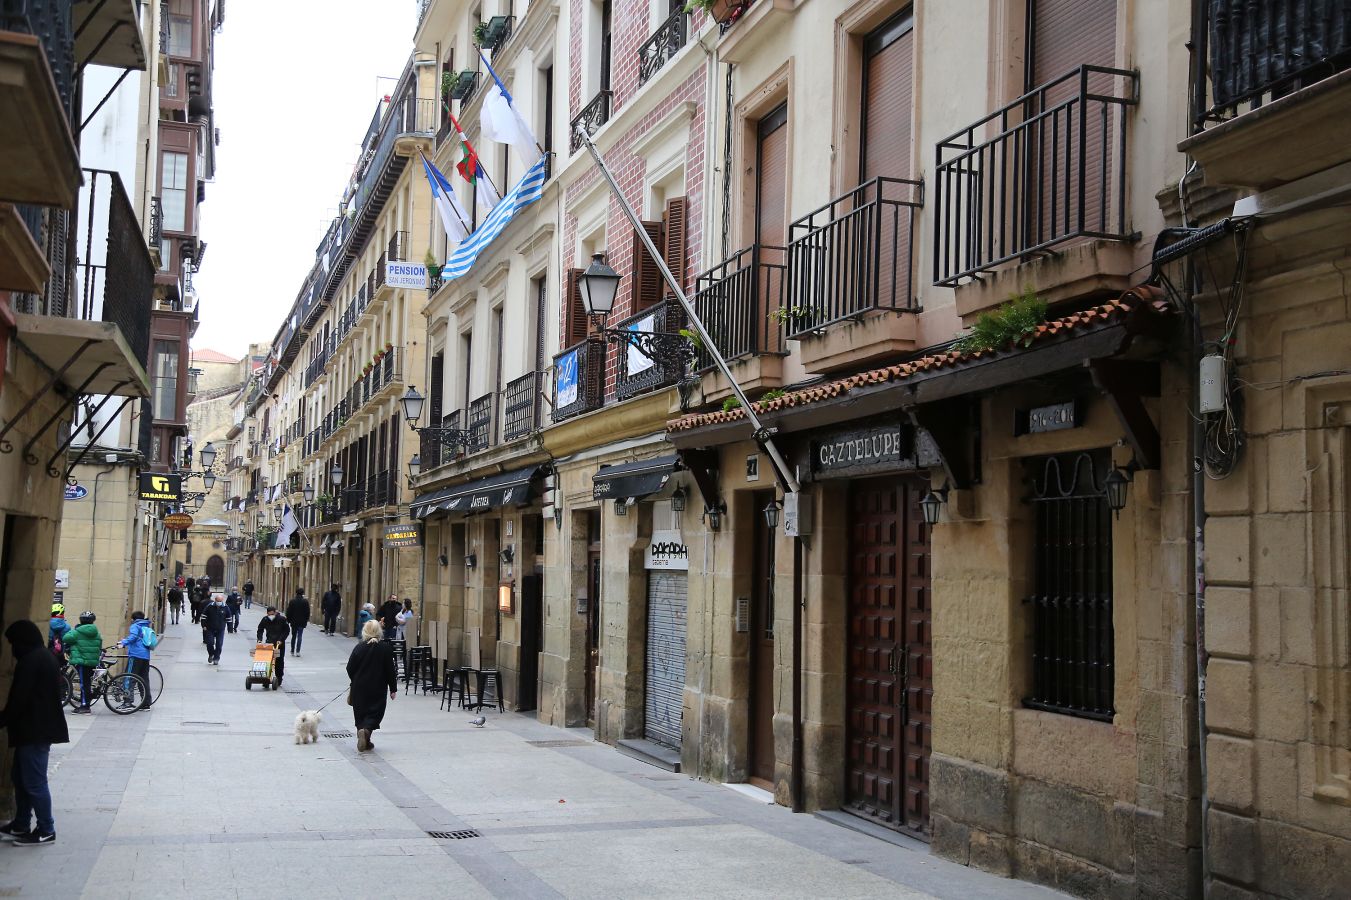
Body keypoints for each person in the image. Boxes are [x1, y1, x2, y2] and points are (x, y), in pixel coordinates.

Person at [0, 620, 69, 845]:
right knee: (20, 778)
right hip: (34, 728)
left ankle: (46, 828)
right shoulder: (43, 656)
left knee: (34, 781)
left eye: (13, 643)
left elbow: (20, 698)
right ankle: (21, 824)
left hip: (35, 730)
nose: (12, 649)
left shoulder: (31, 661)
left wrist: (3, 719)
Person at [347, 620, 397, 752]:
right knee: (375, 713)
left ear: (365, 632)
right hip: (378, 687)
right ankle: (367, 733)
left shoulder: (359, 647)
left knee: (360, 713)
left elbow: (349, 667)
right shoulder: (385, 648)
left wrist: (355, 679)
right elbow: (390, 670)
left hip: (359, 687)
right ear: (379, 631)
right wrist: (393, 688)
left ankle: (363, 735)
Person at [64, 612, 103, 715]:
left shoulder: (77, 632)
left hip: (82, 661)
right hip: (92, 661)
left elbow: (65, 638)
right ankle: (84, 704)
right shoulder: (97, 633)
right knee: (87, 683)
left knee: (83, 685)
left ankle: (85, 706)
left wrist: (76, 629)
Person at [116, 612, 154, 709]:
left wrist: (123, 643)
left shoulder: (135, 626)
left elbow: (133, 637)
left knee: (129, 677)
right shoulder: (146, 626)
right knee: (144, 679)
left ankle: (127, 702)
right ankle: (146, 703)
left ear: (133, 619)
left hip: (136, 655)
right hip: (145, 656)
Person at [256, 606, 290, 688]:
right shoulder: (265, 619)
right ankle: (266, 678)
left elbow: (286, 630)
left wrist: (281, 639)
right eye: (269, 614)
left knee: (279, 661)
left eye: (272, 614)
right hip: (269, 643)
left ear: (275, 612)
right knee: (268, 661)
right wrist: (259, 639)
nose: (270, 616)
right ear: (267, 613)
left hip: (279, 644)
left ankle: (279, 677)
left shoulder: (282, 619)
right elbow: (260, 629)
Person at [201, 594, 230, 665]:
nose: (219, 602)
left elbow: (229, 618)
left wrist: (230, 628)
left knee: (219, 644)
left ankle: (216, 658)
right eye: (218, 601)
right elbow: (203, 616)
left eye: (220, 601)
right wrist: (203, 626)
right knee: (209, 643)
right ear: (215, 600)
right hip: (210, 628)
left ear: (222, 600)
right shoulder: (210, 606)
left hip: (220, 629)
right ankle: (211, 654)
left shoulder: (225, 607)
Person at [285, 588, 310, 656]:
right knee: (300, 636)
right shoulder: (305, 602)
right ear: (302, 593)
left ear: (296, 593)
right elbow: (307, 612)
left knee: (293, 636)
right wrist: (306, 620)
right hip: (302, 622)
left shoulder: (292, 601)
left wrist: (288, 620)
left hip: (294, 621)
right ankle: (298, 651)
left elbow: (289, 611)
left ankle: (292, 650)